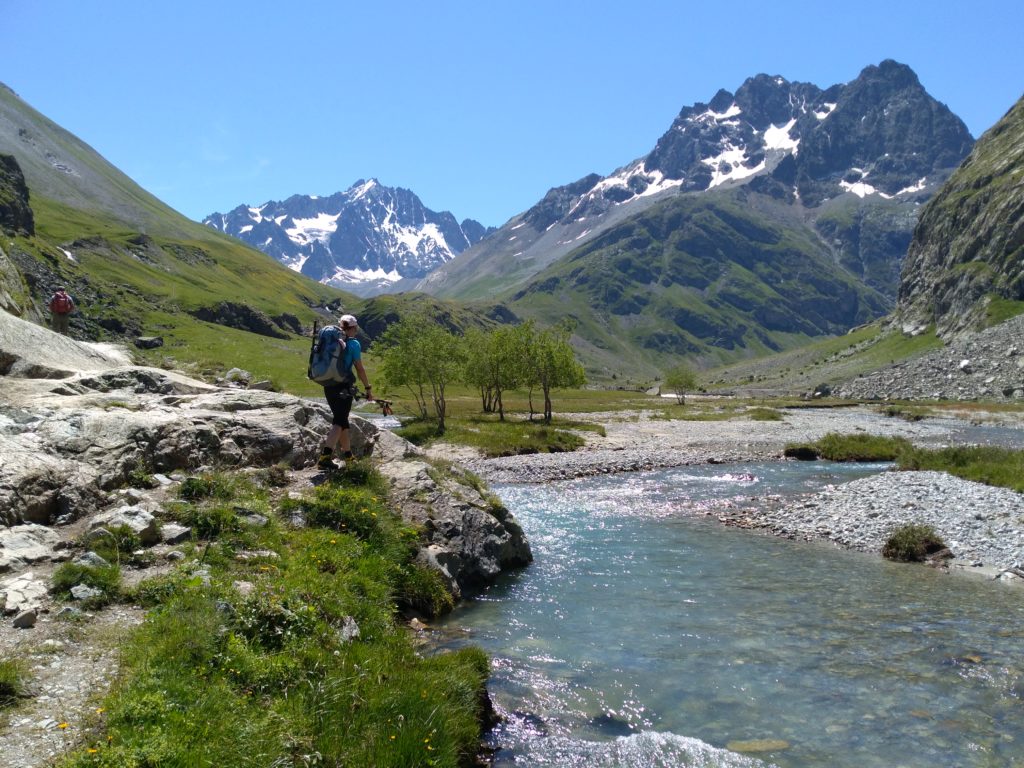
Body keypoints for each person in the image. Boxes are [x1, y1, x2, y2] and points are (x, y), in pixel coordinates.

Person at [317, 314, 373, 471]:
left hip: (328, 384)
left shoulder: (331, 339)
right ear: (353, 328)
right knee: (339, 421)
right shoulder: (353, 344)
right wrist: (368, 388)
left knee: (342, 421)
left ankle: (348, 456)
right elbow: (360, 369)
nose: (356, 331)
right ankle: (325, 457)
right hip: (344, 386)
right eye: (356, 328)